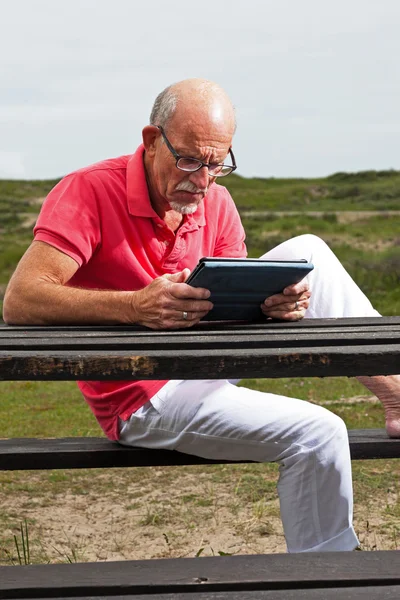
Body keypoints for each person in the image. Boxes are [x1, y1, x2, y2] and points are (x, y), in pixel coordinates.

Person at [3, 78, 400, 554]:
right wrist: (134, 306)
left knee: (309, 251)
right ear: (152, 141)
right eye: (190, 159)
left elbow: (230, 311)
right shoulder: (87, 190)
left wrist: (275, 307)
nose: (202, 179)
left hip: (208, 368)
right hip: (140, 397)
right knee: (320, 431)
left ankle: (395, 391)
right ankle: (328, 578)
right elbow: (21, 300)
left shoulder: (216, 200)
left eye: (217, 163)